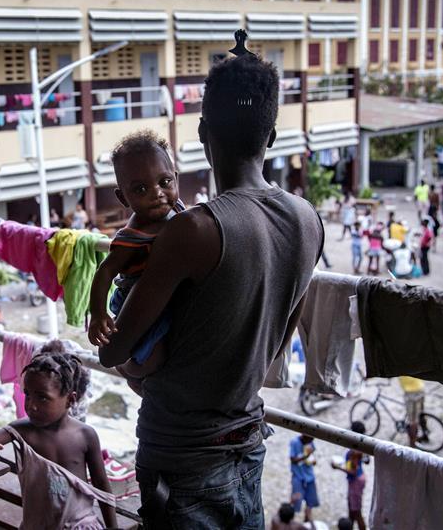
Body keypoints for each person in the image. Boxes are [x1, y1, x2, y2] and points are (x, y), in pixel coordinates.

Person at [92, 48, 323, 528]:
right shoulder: (308, 220)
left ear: (201, 135)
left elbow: (113, 353)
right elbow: (279, 342)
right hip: (246, 441)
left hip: (181, 454)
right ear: (272, 137)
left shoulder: (193, 231)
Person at [0, 343, 118, 529]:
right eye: (27, 395)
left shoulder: (85, 435)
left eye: (42, 397)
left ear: (70, 399)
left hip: (81, 524)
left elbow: (102, 484)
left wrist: (112, 527)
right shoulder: (22, 431)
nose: (31, 405)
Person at [88, 131, 185, 392]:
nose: (157, 193)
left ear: (175, 179)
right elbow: (104, 271)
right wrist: (98, 315)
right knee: (147, 360)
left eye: (165, 182)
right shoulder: (132, 235)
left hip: (167, 295)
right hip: (134, 298)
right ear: (123, 198)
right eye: (140, 189)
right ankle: (130, 372)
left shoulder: (180, 212)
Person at [331, 421, 370, 530]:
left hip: (356, 481)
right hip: (357, 479)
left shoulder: (354, 451)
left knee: (357, 512)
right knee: (351, 510)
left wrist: (337, 467)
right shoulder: (360, 444)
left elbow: (352, 471)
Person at [290, 434, 320, 524]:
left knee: (310, 502)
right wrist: (306, 456)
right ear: (304, 436)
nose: (311, 442)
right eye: (309, 440)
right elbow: (292, 459)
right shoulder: (295, 442)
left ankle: (307, 522)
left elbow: (312, 451)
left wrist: (312, 459)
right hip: (298, 477)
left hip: (309, 477)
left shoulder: (310, 442)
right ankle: (290, 523)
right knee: (295, 501)